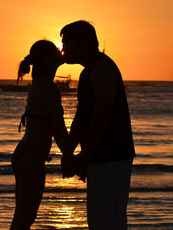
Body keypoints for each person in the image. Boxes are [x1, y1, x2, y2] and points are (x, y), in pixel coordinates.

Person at [60, 20, 136, 230]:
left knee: (109, 221)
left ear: (82, 43)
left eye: (67, 43)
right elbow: (82, 118)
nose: (63, 48)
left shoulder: (102, 69)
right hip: (99, 158)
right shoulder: (87, 72)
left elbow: (102, 114)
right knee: (99, 221)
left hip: (111, 157)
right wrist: (69, 152)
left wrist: (84, 155)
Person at [10, 40, 75, 230]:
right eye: (56, 52)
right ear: (47, 60)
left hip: (26, 155)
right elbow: (58, 128)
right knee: (24, 219)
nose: (60, 54)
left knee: (22, 218)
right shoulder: (48, 87)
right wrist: (70, 157)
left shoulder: (38, 84)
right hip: (31, 159)